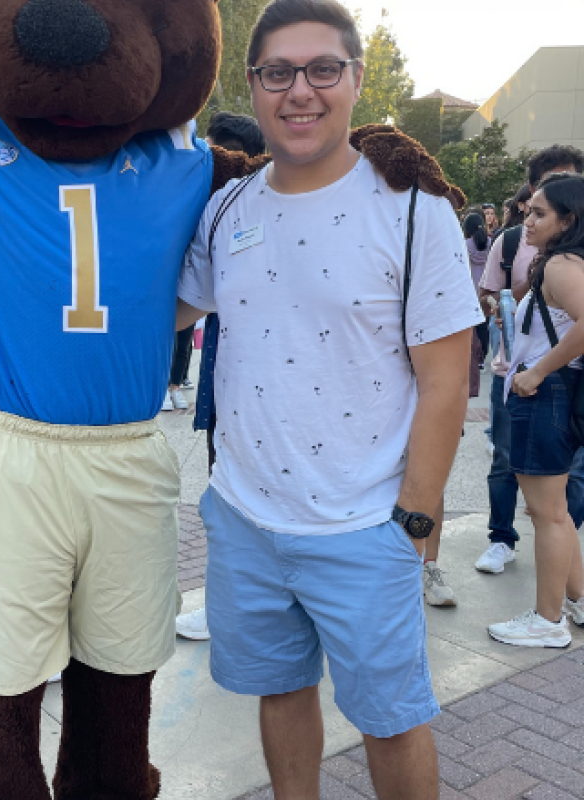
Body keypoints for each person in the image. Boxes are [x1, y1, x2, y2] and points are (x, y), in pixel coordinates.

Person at [176, 2, 482, 797]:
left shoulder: (415, 212)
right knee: (280, 692)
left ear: (353, 79)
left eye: (322, 70)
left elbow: (449, 382)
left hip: (365, 526)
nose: (299, 91)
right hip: (246, 516)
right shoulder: (228, 208)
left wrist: (414, 520)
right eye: (278, 72)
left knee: (390, 718)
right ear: (253, 83)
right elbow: (173, 310)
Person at [176, 111, 267, 641]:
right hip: (225, 371)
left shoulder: (240, 208)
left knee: (240, 499)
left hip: (263, 385)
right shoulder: (222, 212)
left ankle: (236, 609)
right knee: (224, 491)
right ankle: (228, 606)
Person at [476, 145, 584, 574]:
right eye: (529, 208)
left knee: (549, 515)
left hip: (545, 389)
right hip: (541, 385)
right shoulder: (556, 259)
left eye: (540, 213)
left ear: (568, 217)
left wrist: (539, 370)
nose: (528, 218)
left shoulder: (561, 265)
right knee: (551, 512)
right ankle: (571, 602)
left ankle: (548, 619)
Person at [464, 212, 492, 369]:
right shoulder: (491, 243)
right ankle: (482, 357)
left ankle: (472, 356)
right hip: (486, 288)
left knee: (470, 326)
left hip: (470, 288)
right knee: (484, 325)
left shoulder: (465, 244)